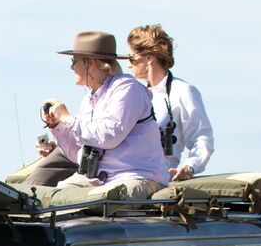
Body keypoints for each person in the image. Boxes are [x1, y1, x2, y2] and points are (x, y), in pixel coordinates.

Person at [36, 31, 170, 197]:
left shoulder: (127, 88)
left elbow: (109, 136)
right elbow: (78, 153)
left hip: (136, 176)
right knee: (50, 198)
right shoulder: (90, 99)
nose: (71, 67)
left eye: (74, 61)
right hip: (98, 180)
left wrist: (67, 118)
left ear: (90, 63)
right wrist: (57, 126)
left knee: (100, 199)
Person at [125, 24, 214, 182]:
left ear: (149, 57)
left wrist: (189, 167)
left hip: (161, 179)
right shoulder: (136, 93)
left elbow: (201, 137)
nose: (128, 64)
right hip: (128, 175)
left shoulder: (183, 91)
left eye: (132, 57)